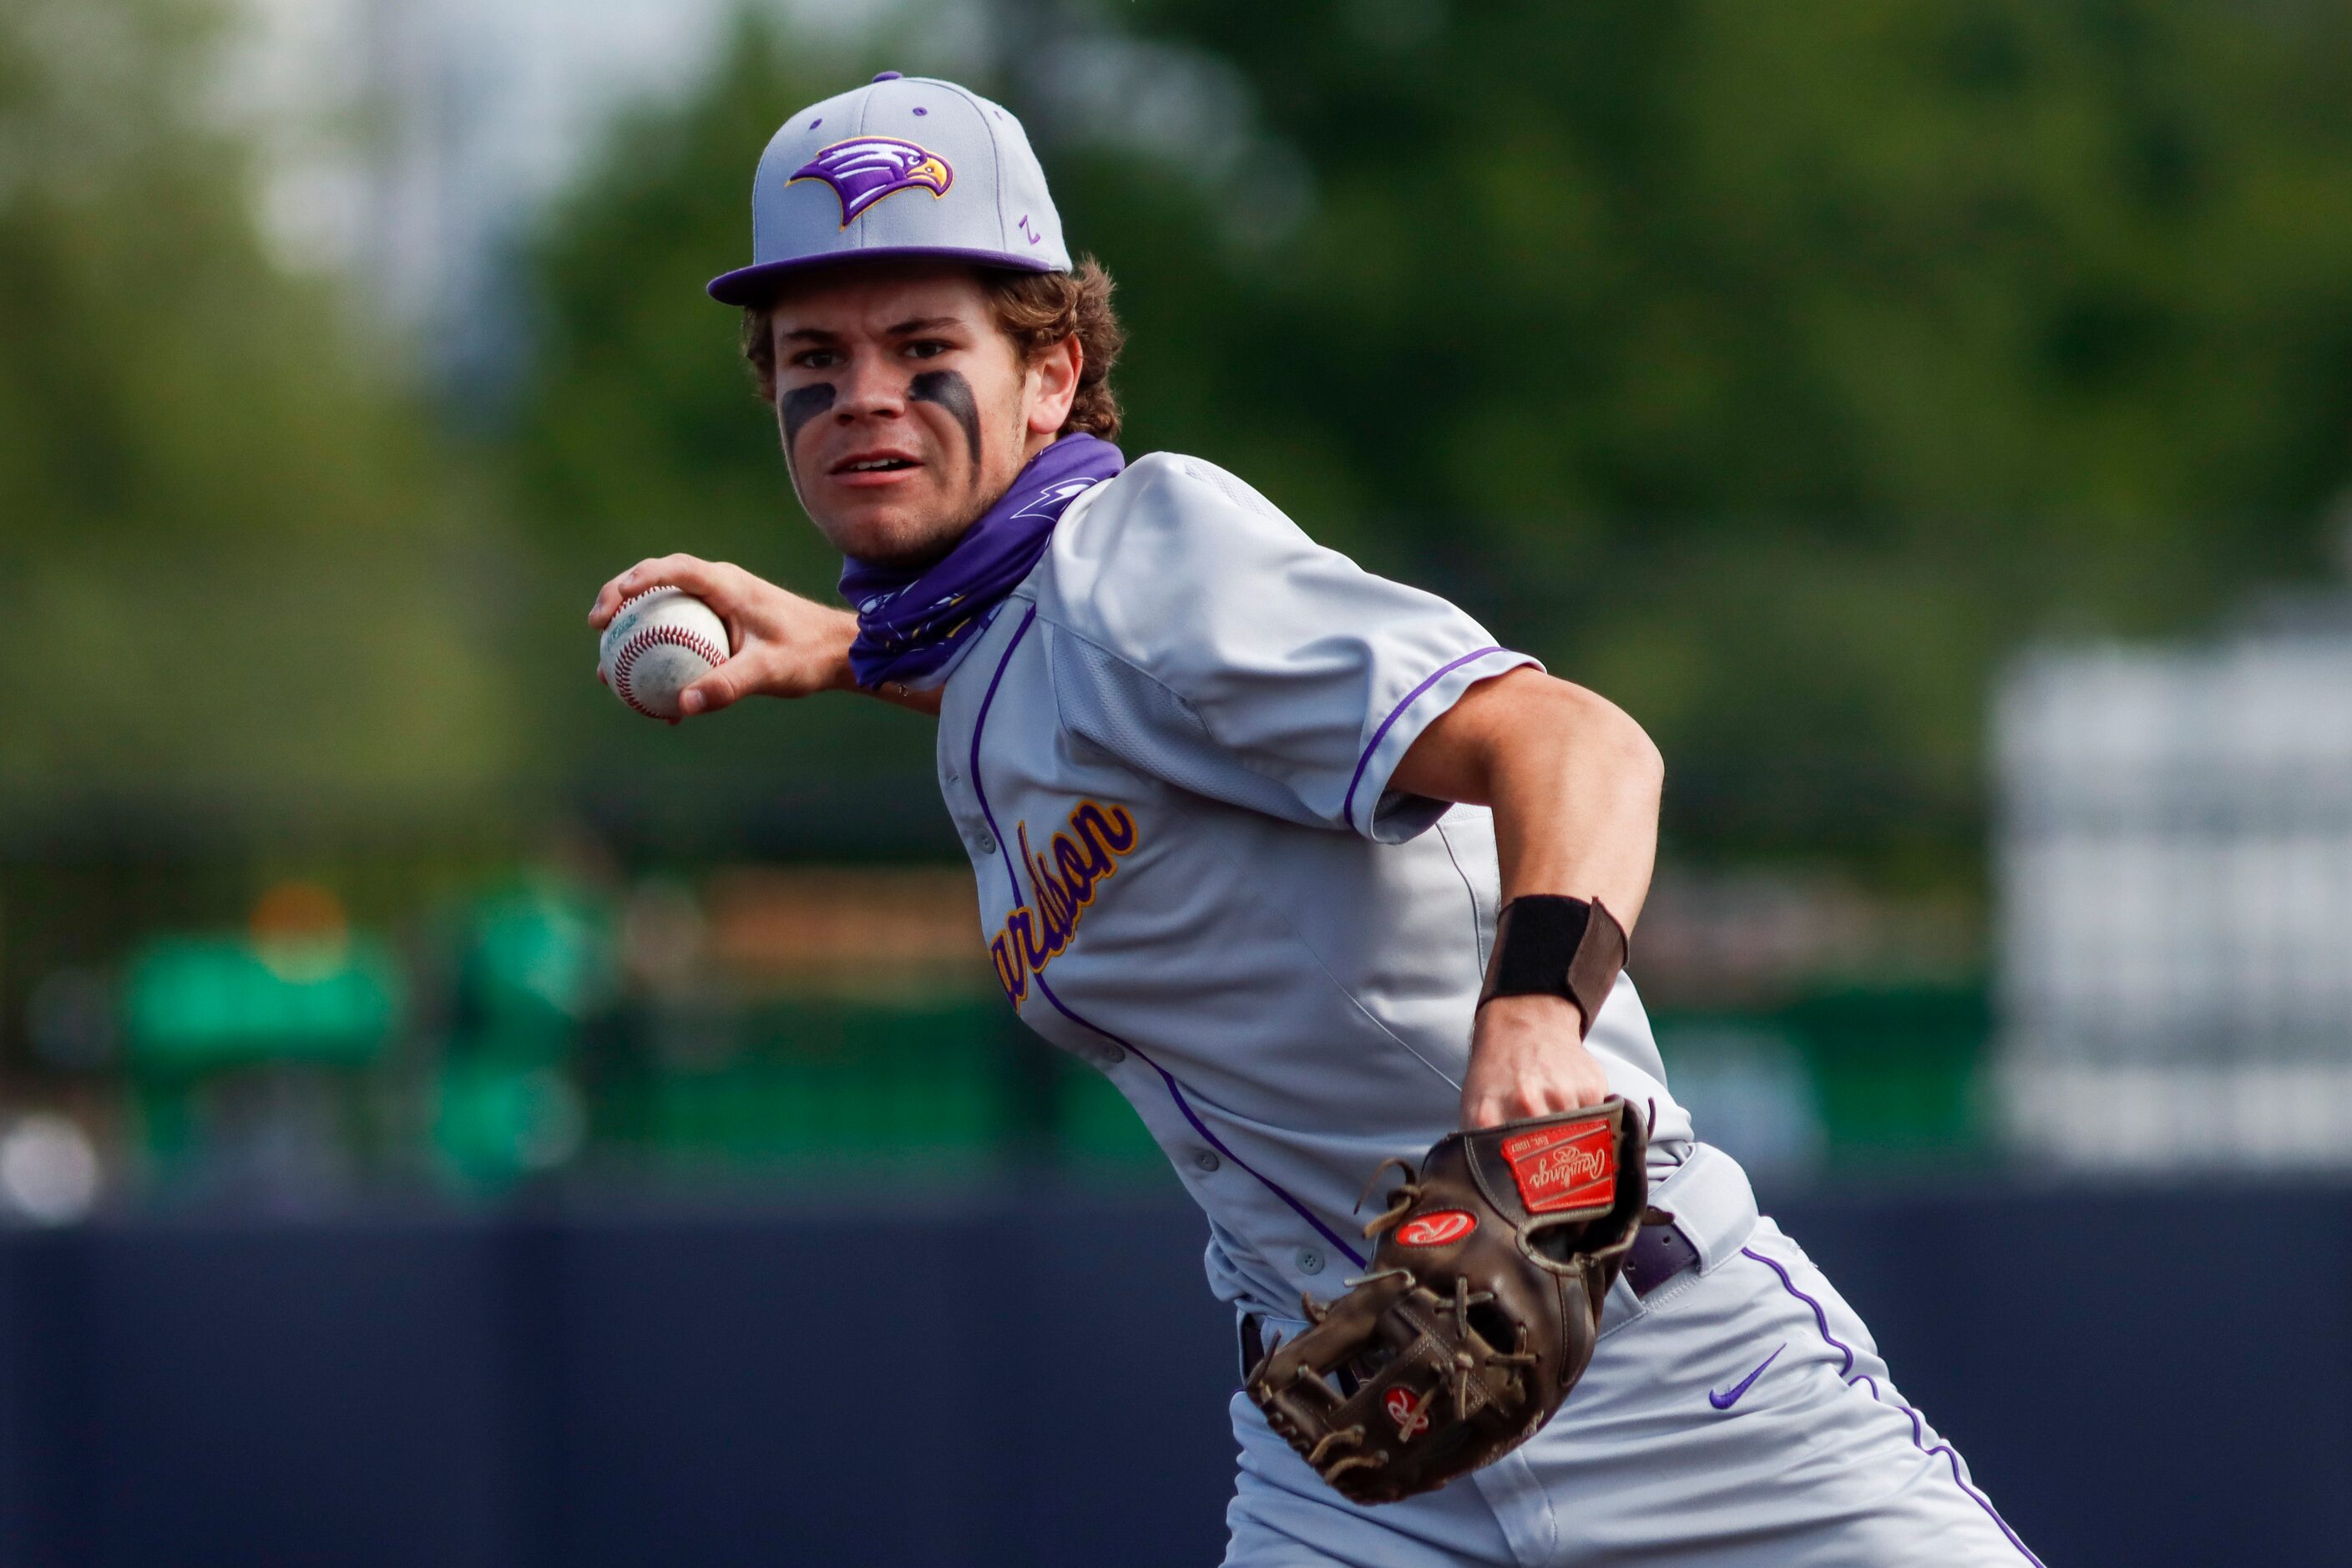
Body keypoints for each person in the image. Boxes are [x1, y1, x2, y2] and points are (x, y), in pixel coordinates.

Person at [589, 71, 2041, 1567]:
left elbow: (1580, 742)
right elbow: (1124, 729)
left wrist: (1536, 1014)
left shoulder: (1146, 558)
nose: (867, 393)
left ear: (1047, 370)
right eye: (814, 355)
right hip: (1368, 1435)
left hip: (1661, 1377)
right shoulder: (1012, 649)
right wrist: (851, 653)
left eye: (921, 344)